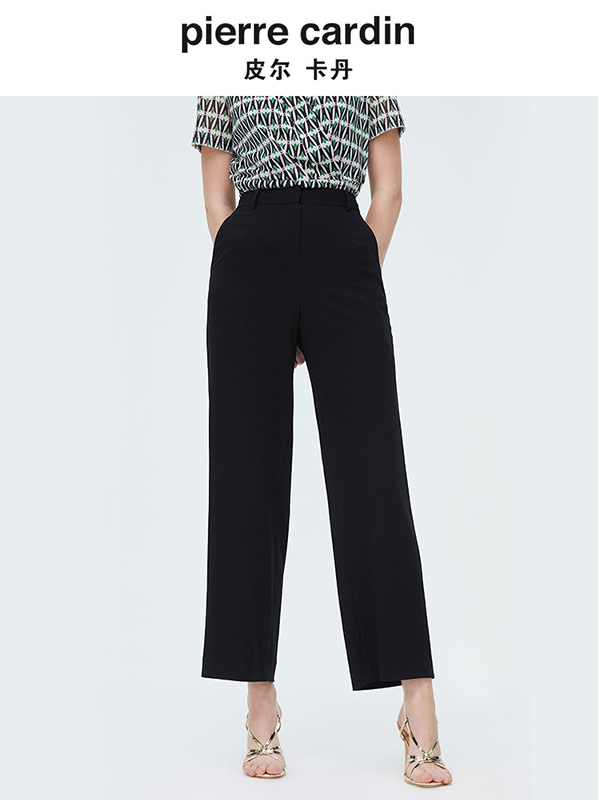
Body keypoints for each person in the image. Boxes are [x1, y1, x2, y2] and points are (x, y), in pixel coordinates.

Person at [191, 96, 453, 788]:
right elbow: (218, 196)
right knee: (246, 479)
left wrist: (347, 271)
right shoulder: (230, 65)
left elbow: (388, 192)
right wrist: (259, 283)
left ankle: (418, 704)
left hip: (343, 256)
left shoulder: (363, 63)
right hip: (250, 262)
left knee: (373, 477)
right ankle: (260, 701)